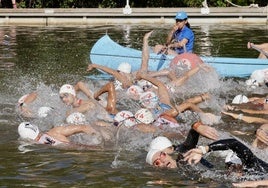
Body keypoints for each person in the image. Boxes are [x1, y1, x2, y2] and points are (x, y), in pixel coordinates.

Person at [145, 124, 217, 169]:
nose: (162, 160)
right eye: (157, 162)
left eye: (163, 154)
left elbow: (191, 137)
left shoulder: (182, 154)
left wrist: (197, 126)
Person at [183, 138, 268, 175]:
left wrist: (204, 149)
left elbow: (234, 143)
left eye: (235, 167)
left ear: (243, 164)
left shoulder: (255, 165)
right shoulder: (228, 175)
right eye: (228, 166)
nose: (231, 170)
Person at [17, 122, 103, 147]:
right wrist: (97, 135)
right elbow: (83, 127)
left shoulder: (35, 145)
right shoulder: (54, 132)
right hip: (87, 149)